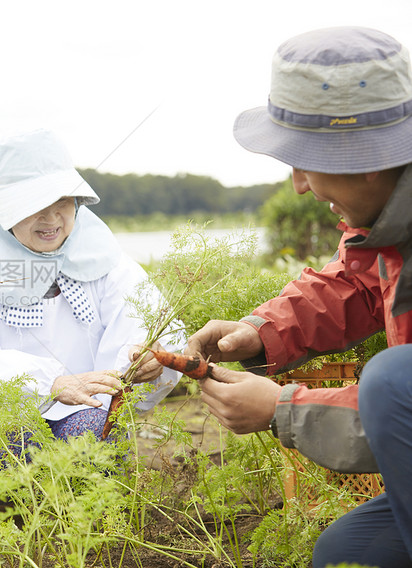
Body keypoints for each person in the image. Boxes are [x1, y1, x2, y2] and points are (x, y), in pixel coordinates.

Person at [185, 27, 412, 567]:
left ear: (365, 160)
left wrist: (282, 410)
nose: (298, 185)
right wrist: (260, 333)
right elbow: (357, 282)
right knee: (346, 554)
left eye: (305, 162)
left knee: (390, 379)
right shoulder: (389, 220)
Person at [0, 129, 182, 482]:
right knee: (12, 446)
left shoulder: (102, 256)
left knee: (95, 435)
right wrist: (50, 382)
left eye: (63, 202)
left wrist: (150, 358)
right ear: (3, 210)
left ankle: (92, 529)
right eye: (34, 205)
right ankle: (12, 533)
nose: (51, 219)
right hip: (2, 414)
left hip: (87, 406)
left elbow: (154, 324)